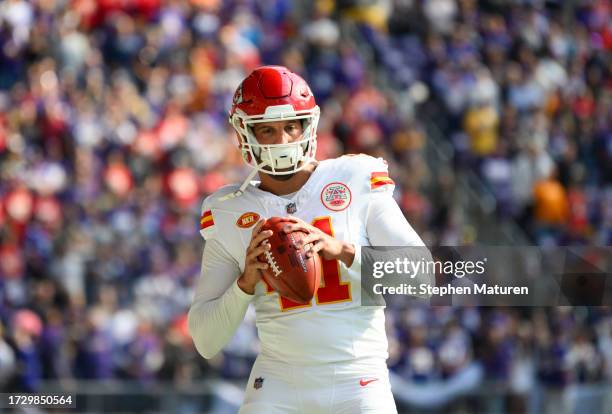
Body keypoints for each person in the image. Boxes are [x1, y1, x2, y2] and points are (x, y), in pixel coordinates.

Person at [188, 66, 428, 413]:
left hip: (357, 378)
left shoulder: (354, 178)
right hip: (278, 383)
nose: (282, 140)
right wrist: (244, 285)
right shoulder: (229, 210)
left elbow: (424, 276)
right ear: (245, 134)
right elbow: (206, 340)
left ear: (307, 125)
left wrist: (344, 251)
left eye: (290, 126)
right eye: (267, 130)